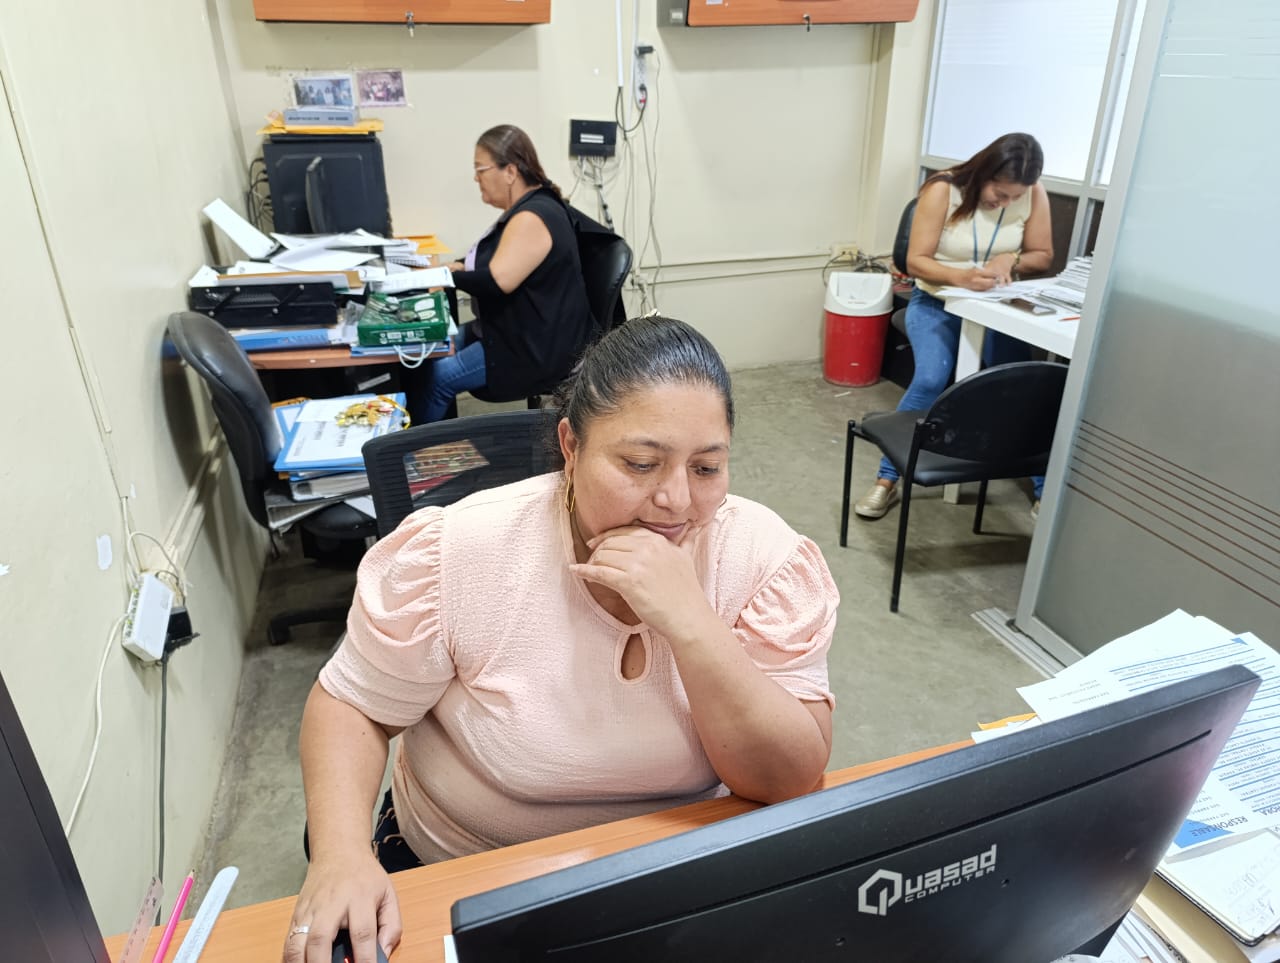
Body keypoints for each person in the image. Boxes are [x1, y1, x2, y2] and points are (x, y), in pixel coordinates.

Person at [284, 316, 840, 963]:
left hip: (673, 877)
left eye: (707, 467)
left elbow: (788, 778)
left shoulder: (760, 558)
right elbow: (351, 705)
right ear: (571, 446)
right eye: (640, 463)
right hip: (467, 876)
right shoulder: (464, 550)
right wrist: (340, 855)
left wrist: (692, 624)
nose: (676, 499)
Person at [854, 132, 1054, 521]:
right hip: (937, 301)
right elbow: (916, 261)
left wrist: (1010, 260)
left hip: (995, 306)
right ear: (983, 172)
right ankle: (886, 480)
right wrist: (961, 277)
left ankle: (1044, 489)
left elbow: (1042, 255)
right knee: (931, 379)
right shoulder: (943, 190)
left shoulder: (1033, 192)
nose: (1006, 202)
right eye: (1000, 192)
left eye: (1015, 197)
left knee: (1022, 385)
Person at [404, 124, 596, 424]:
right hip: (512, 329)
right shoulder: (530, 207)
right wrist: (455, 267)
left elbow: (499, 280)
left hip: (533, 348)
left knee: (439, 378)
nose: (476, 178)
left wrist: (445, 277)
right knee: (432, 348)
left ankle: (413, 450)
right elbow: (499, 260)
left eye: (480, 169)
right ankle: (429, 440)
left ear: (510, 172)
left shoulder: (533, 216)